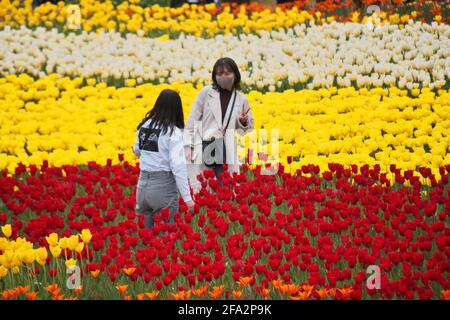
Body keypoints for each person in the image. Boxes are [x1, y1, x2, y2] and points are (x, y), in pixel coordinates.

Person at [183, 57, 254, 193]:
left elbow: (247, 127)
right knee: (203, 186)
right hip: (204, 145)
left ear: (235, 75)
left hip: (226, 148)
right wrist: (188, 145)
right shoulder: (206, 93)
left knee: (226, 188)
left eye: (227, 74)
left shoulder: (240, 99)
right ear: (214, 76)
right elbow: (192, 120)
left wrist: (243, 122)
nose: (223, 77)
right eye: (220, 74)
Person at [133, 89, 195, 228]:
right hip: (163, 187)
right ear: (177, 109)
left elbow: (136, 150)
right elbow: (178, 166)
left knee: (146, 239)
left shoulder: (144, 126)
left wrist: (151, 154)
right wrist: (188, 199)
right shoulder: (172, 131)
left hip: (142, 187)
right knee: (165, 238)